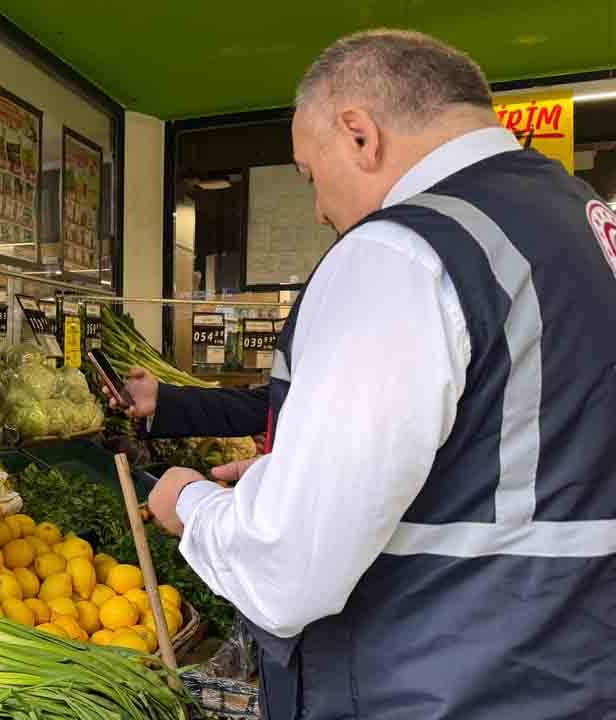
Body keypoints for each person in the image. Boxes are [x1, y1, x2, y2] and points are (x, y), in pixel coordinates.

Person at [111, 29, 616, 719]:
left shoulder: (404, 252)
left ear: (358, 136)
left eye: (310, 176)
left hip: (433, 680)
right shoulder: (582, 220)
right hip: (563, 669)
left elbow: (288, 570)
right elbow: (493, 462)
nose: (318, 210)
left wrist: (192, 507)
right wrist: (280, 479)